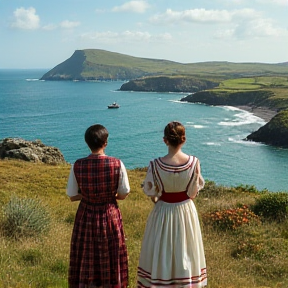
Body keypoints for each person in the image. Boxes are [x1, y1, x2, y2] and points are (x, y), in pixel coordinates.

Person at [137, 121, 207, 288]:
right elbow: (193, 193)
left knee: (161, 250)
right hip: (186, 210)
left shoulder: (155, 165)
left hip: (162, 211)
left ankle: (161, 281)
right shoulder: (194, 162)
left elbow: (151, 192)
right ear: (184, 139)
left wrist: (157, 199)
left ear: (165, 140)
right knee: (186, 249)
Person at [66, 124, 130, 288]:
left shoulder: (77, 165)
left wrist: (86, 195)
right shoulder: (117, 164)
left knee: (86, 254)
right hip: (109, 214)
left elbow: (72, 196)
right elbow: (123, 194)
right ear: (105, 142)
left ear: (87, 143)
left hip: (86, 215)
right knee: (111, 253)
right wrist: (110, 196)